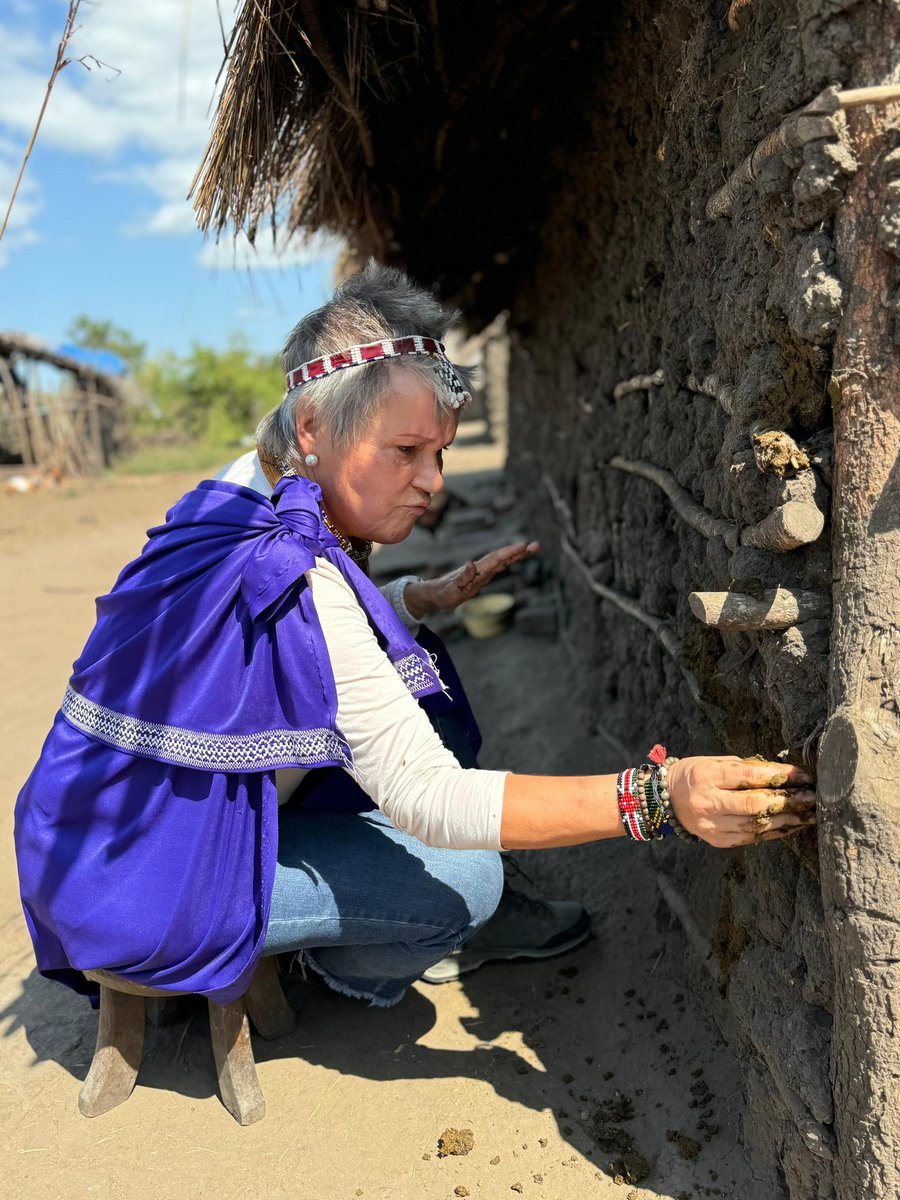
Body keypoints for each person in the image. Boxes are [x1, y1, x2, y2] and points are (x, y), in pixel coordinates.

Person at [14, 264, 817, 1012]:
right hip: (147, 880)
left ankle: (328, 907)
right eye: (405, 452)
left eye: (439, 452)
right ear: (311, 426)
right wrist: (659, 797)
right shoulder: (291, 569)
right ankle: (335, 962)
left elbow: (258, 651)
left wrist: (406, 598)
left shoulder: (238, 487)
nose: (433, 482)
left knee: (412, 677)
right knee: (468, 882)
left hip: (82, 830)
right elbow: (431, 798)